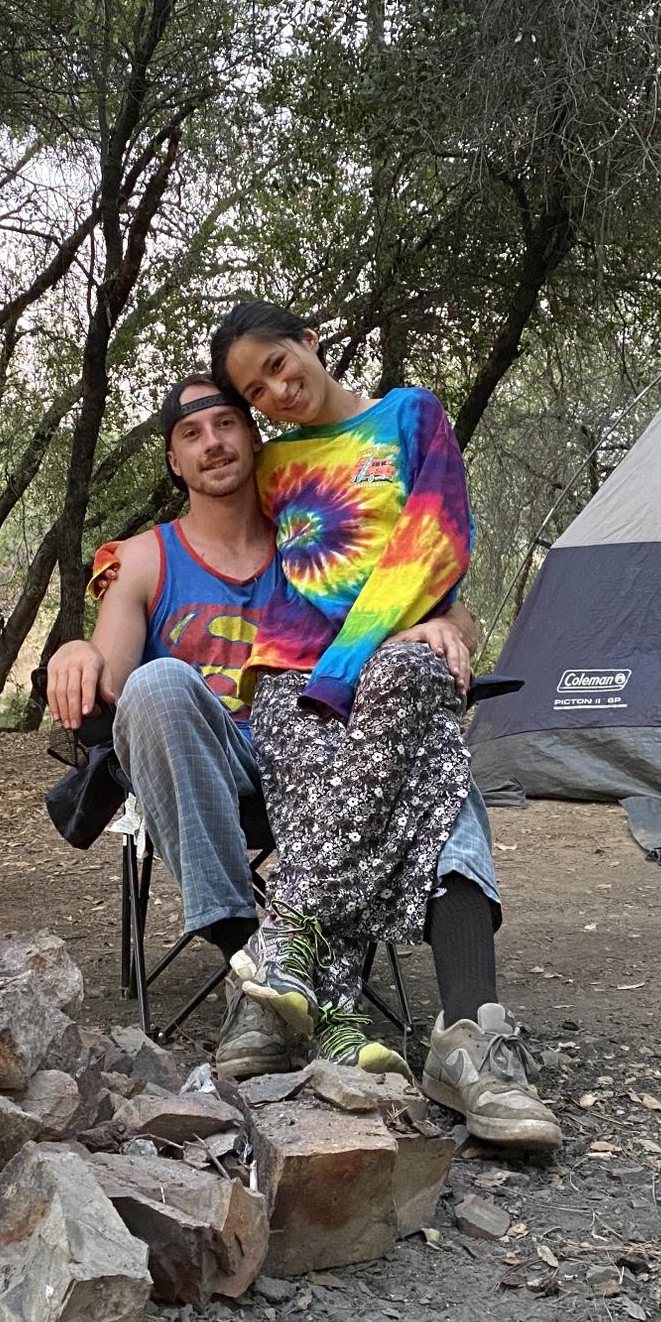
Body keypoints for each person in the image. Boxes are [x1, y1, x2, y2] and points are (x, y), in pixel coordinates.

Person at [211, 300, 560, 1149]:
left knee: (414, 675)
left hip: (374, 670)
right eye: (256, 390)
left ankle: (290, 944)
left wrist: (428, 622)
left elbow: (436, 538)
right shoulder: (271, 466)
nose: (277, 391)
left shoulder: (411, 415)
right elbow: (215, 552)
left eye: (279, 364)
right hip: (293, 679)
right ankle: (450, 1041)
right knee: (440, 790)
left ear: (312, 343)